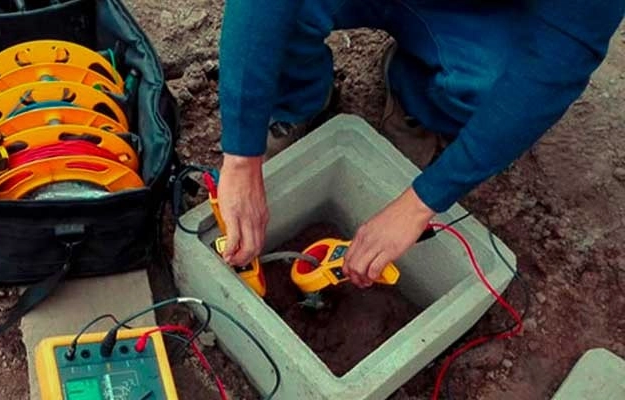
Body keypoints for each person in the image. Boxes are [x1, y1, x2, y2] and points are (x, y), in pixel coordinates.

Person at [215, 0, 624, 287]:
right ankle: (299, 99)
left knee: (489, 89)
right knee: (282, 16)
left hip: (476, 16)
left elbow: (553, 67)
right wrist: (241, 155)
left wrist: (421, 203)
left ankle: (419, 93)